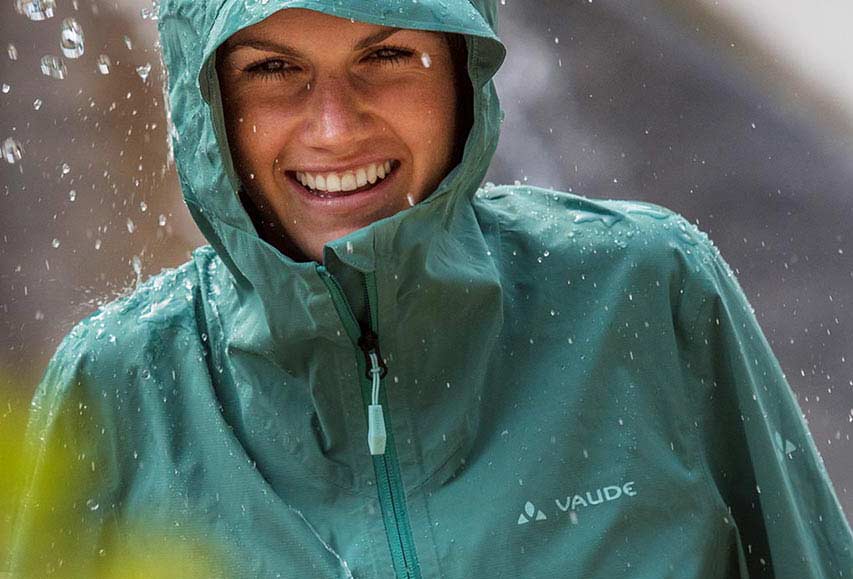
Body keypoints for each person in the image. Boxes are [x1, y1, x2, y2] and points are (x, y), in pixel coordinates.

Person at [7, 0, 853, 577]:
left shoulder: (647, 288)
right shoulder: (119, 385)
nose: (334, 126)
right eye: (272, 69)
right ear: (208, 105)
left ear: (463, 74)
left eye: (385, 56)